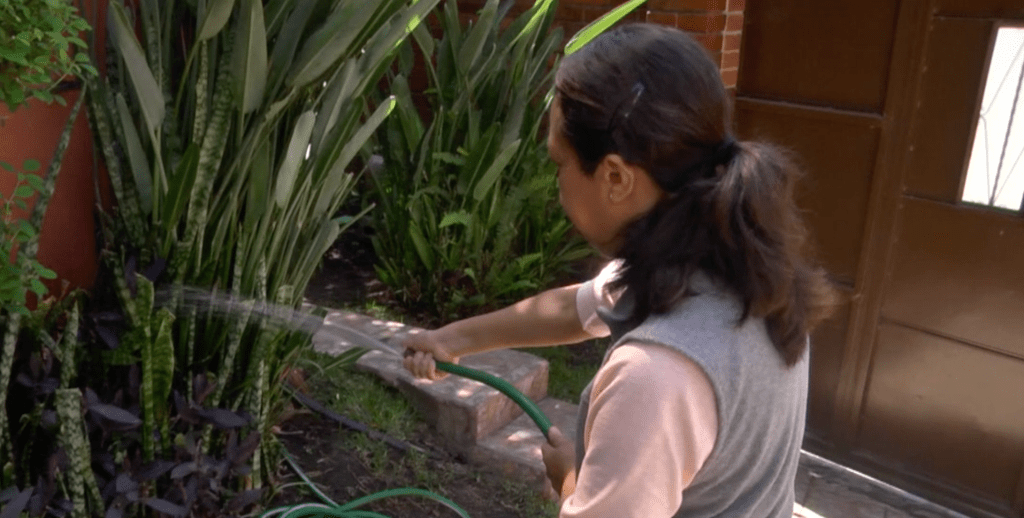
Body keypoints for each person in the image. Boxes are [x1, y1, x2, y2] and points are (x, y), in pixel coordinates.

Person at [402, 23, 836, 518]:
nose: (555, 182)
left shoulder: (655, 377)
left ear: (615, 176)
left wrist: (571, 480)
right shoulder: (746, 273)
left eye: (558, 163)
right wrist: (452, 339)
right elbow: (574, 307)